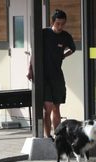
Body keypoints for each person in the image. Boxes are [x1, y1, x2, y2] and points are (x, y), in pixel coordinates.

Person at [27, 9, 76, 139]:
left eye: (63, 24)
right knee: (47, 108)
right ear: (53, 22)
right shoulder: (44, 33)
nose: (60, 26)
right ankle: (47, 136)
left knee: (56, 108)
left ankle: (58, 136)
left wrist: (63, 56)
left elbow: (73, 49)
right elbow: (34, 51)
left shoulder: (66, 36)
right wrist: (30, 69)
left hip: (57, 76)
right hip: (43, 76)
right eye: (58, 23)